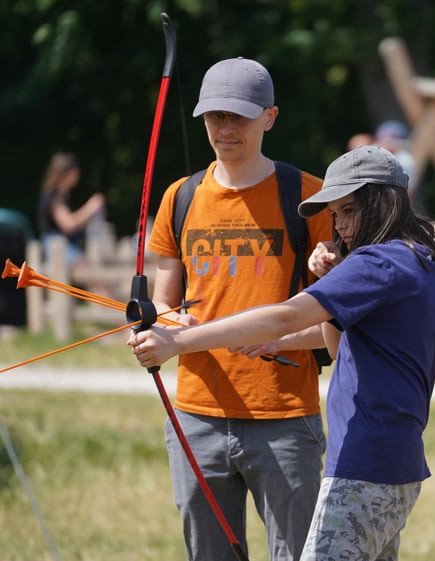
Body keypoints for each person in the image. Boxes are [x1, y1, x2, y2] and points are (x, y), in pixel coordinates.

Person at [130, 145, 435, 561]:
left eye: (349, 211)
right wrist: (282, 339)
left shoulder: (377, 263)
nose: (341, 228)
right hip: (393, 463)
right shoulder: (420, 257)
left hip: (364, 466)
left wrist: (176, 342)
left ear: (382, 202)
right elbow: (342, 348)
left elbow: (285, 315)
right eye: (335, 216)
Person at [143, 57, 333, 561]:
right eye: (214, 117)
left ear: (269, 117)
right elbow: (163, 302)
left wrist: (283, 338)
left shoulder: (309, 197)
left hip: (285, 417)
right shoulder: (179, 198)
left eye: (239, 117)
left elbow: (336, 322)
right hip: (197, 415)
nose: (225, 129)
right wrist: (161, 326)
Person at [36, 151, 106, 266]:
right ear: (67, 173)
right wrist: (91, 207)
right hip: (56, 247)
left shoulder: (61, 196)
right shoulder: (53, 197)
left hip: (63, 246)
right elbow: (69, 224)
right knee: (90, 271)